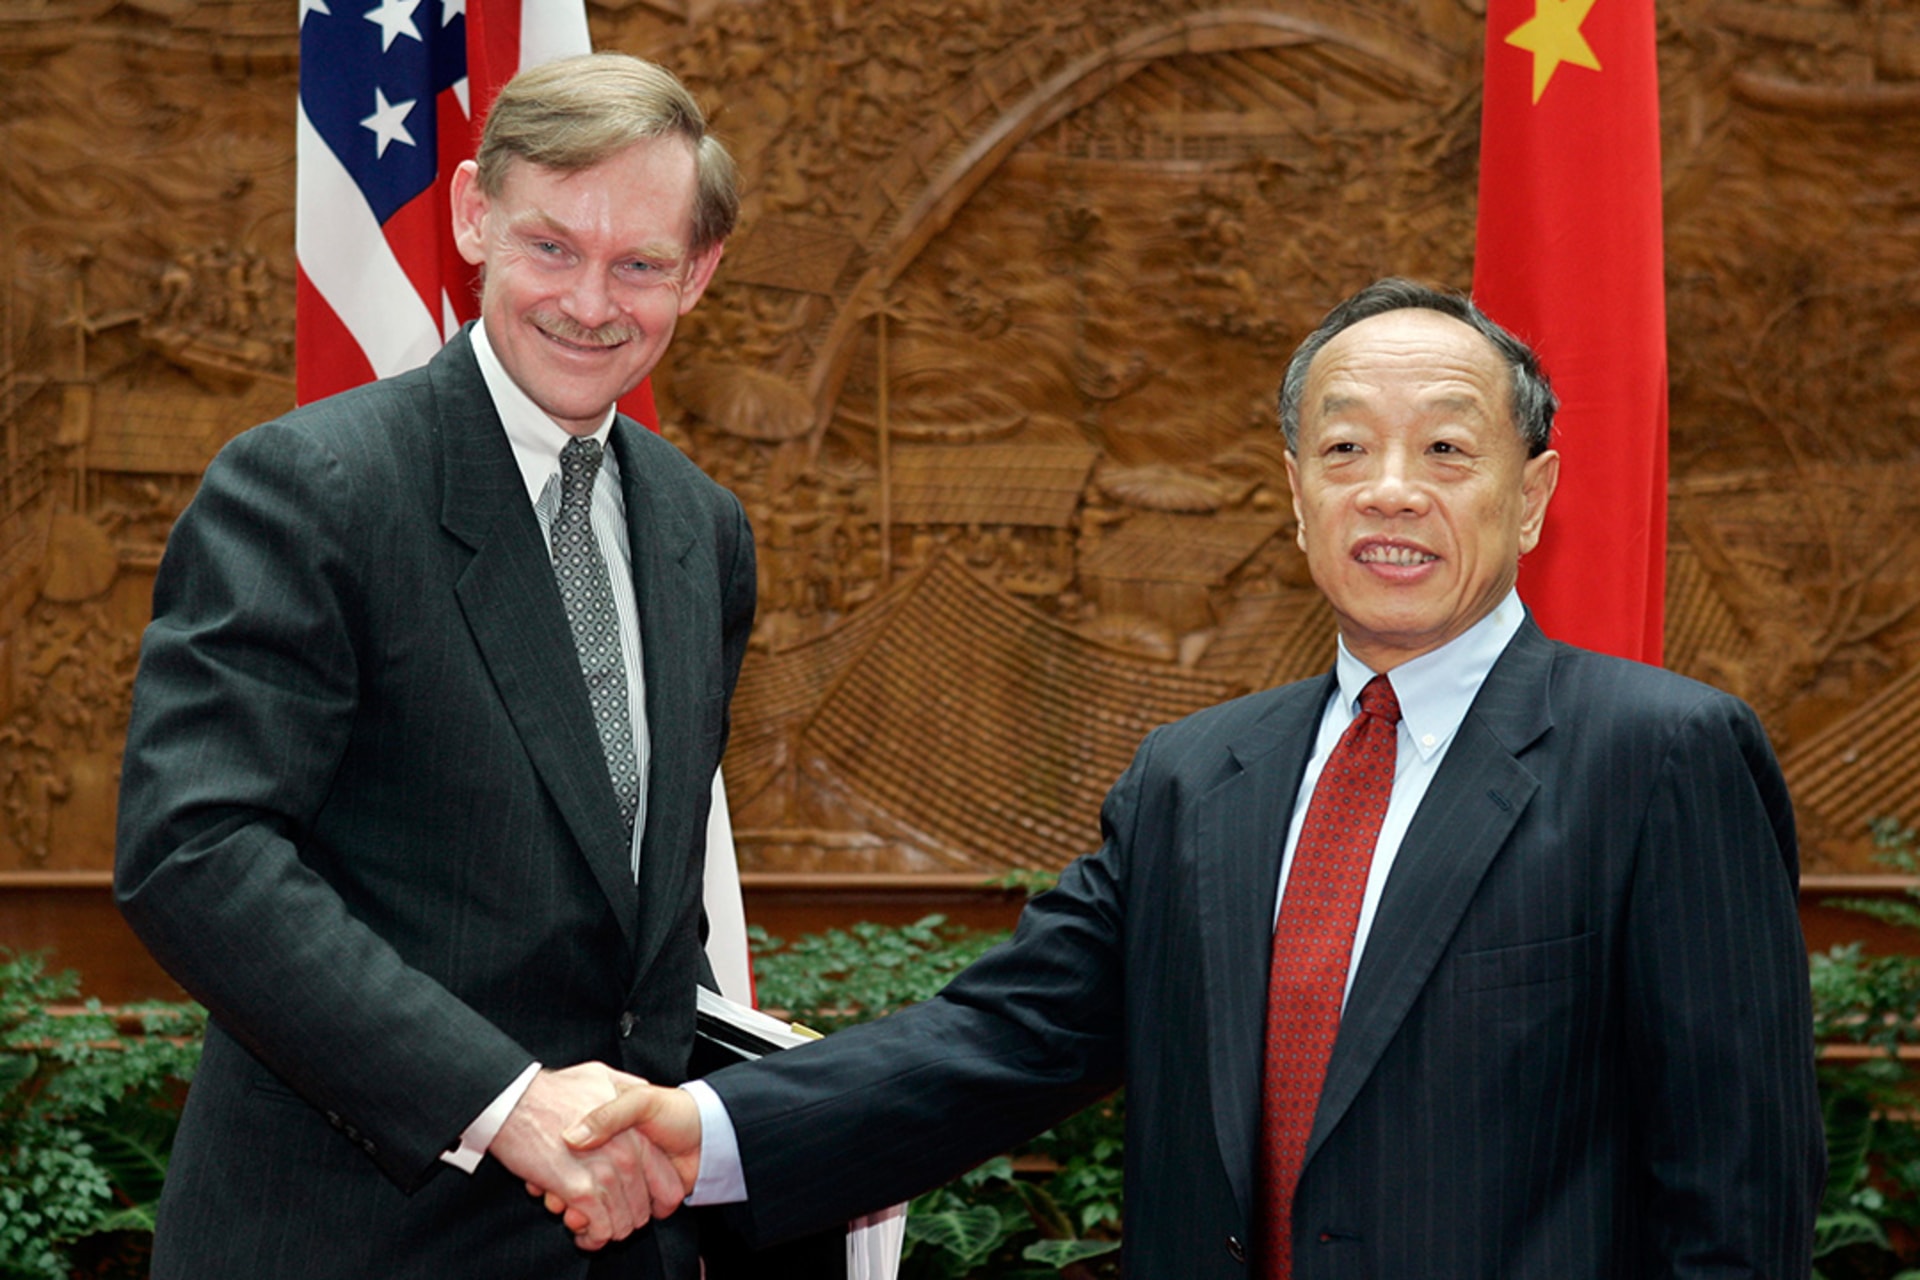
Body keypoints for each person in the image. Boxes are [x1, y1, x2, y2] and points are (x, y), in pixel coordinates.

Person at [555, 278, 1825, 1277]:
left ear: (1533, 493)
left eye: (1446, 449)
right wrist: (707, 1134)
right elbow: (1008, 1034)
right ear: (1293, 492)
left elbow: (1737, 1190)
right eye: (1344, 450)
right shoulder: (1197, 776)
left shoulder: (1661, 756)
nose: (1390, 490)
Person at [114, 52, 749, 1279]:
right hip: (354, 1237)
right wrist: (504, 1098)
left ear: (699, 274)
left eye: (640, 265)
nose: (590, 301)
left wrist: (760, 1114)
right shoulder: (313, 487)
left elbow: (633, 905)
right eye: (552, 247)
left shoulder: (700, 529)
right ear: (471, 214)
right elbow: (196, 849)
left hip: (620, 1242)